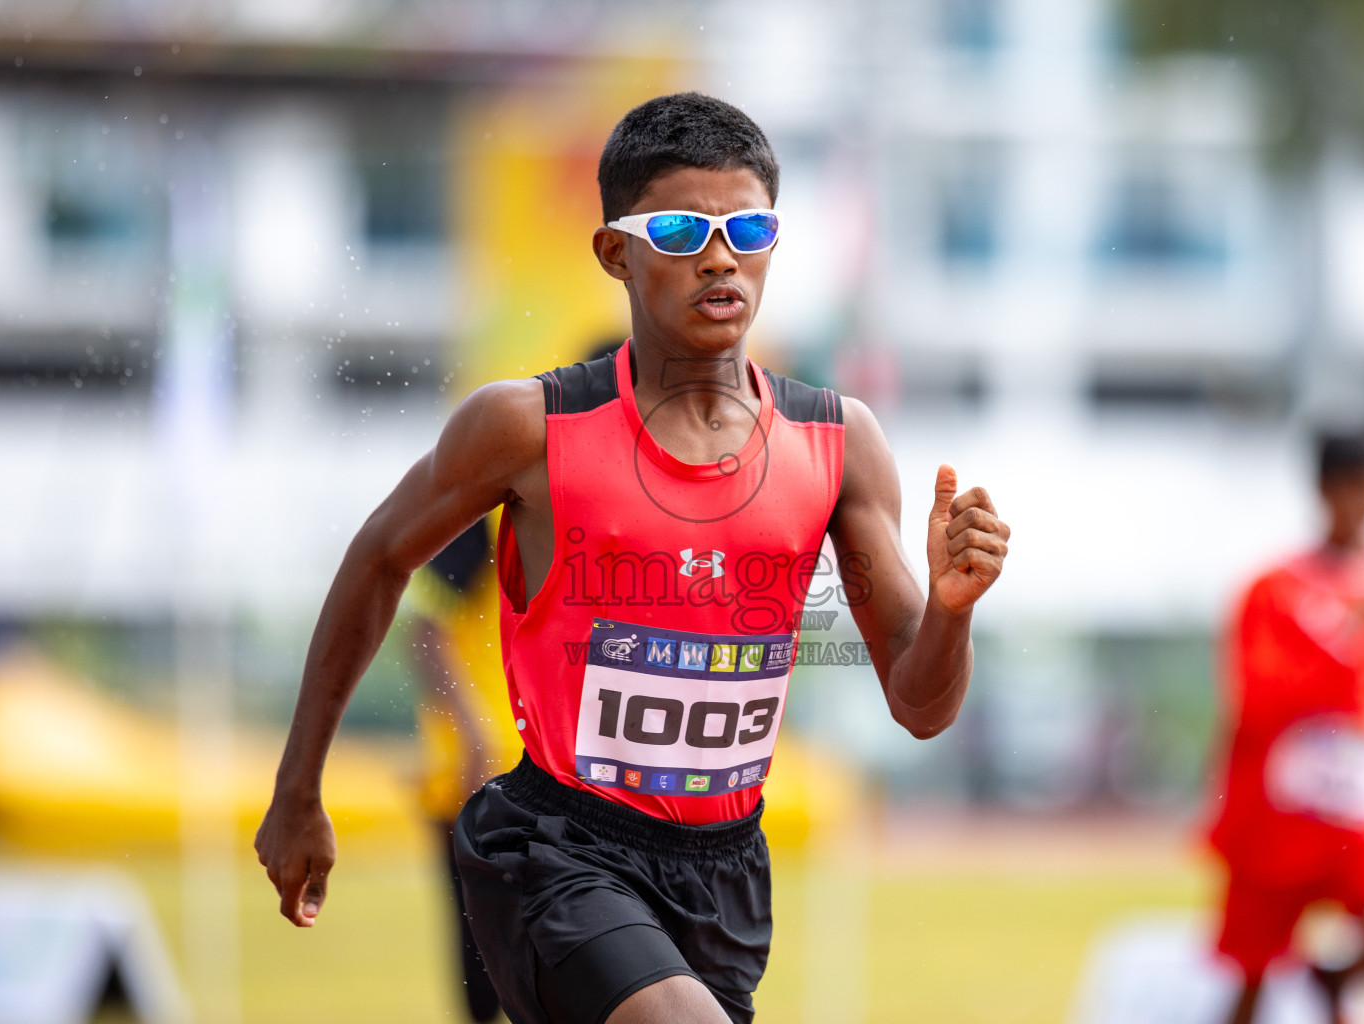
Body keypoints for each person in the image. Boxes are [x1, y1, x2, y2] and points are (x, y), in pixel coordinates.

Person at [254, 92, 1010, 1024]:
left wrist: (951, 610)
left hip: (724, 873)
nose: (720, 254)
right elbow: (379, 561)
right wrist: (298, 790)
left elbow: (921, 704)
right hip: (555, 844)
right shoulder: (526, 428)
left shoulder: (839, 444)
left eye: (748, 226)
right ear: (617, 251)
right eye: (684, 227)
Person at [1206, 431, 1364, 1024]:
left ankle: (1331, 980)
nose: (1356, 502)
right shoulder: (1273, 588)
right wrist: (1341, 635)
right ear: (1319, 490)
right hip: (1281, 812)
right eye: (1344, 486)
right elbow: (1255, 698)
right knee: (1249, 984)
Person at [409, 519, 518, 1021]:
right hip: (483, 767)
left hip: (549, 762)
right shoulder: (490, 508)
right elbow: (424, 628)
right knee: (482, 946)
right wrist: (473, 727)